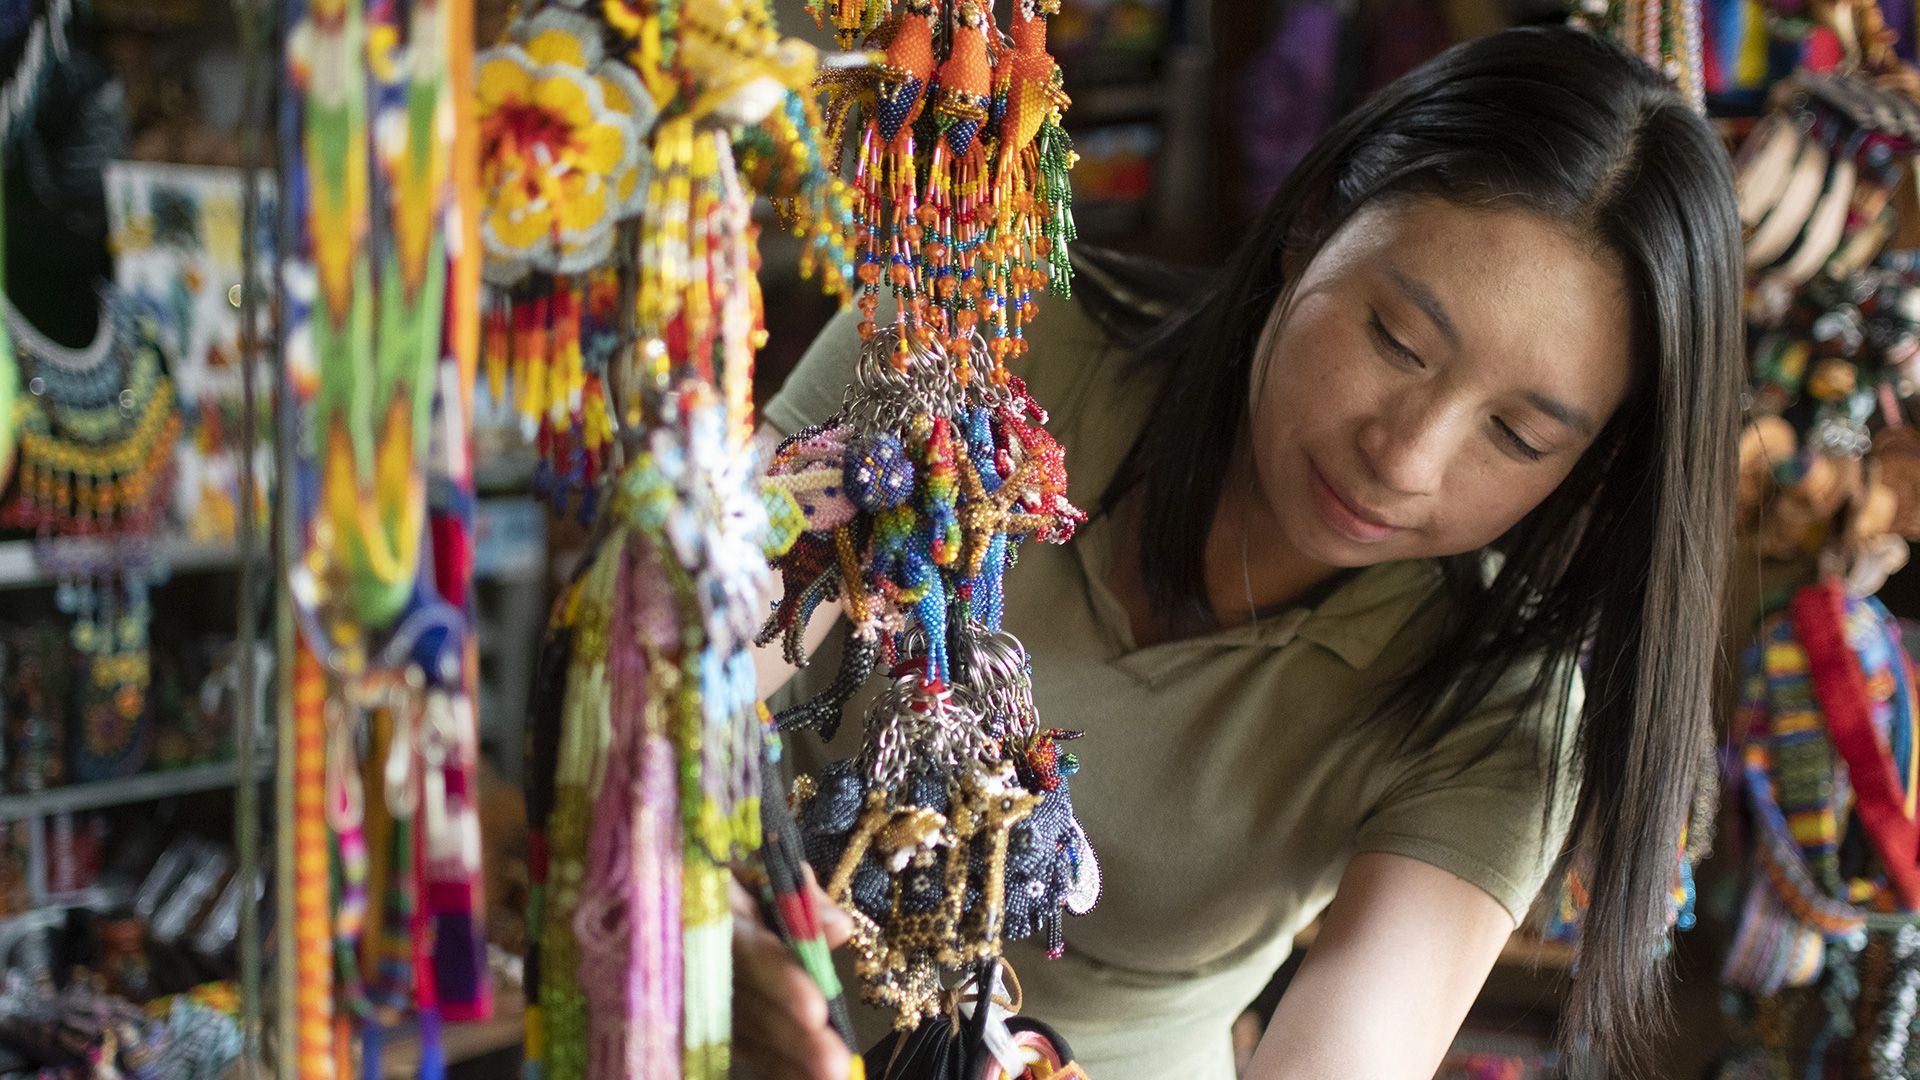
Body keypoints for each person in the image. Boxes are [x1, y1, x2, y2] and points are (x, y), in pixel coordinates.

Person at [736, 24, 1742, 1080]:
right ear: (1310, 225)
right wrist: (714, 924)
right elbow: (687, 667)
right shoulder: (980, 341)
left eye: (1519, 437)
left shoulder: (1498, 713)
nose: (1405, 459)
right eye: (1396, 341)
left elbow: (1350, 1052)